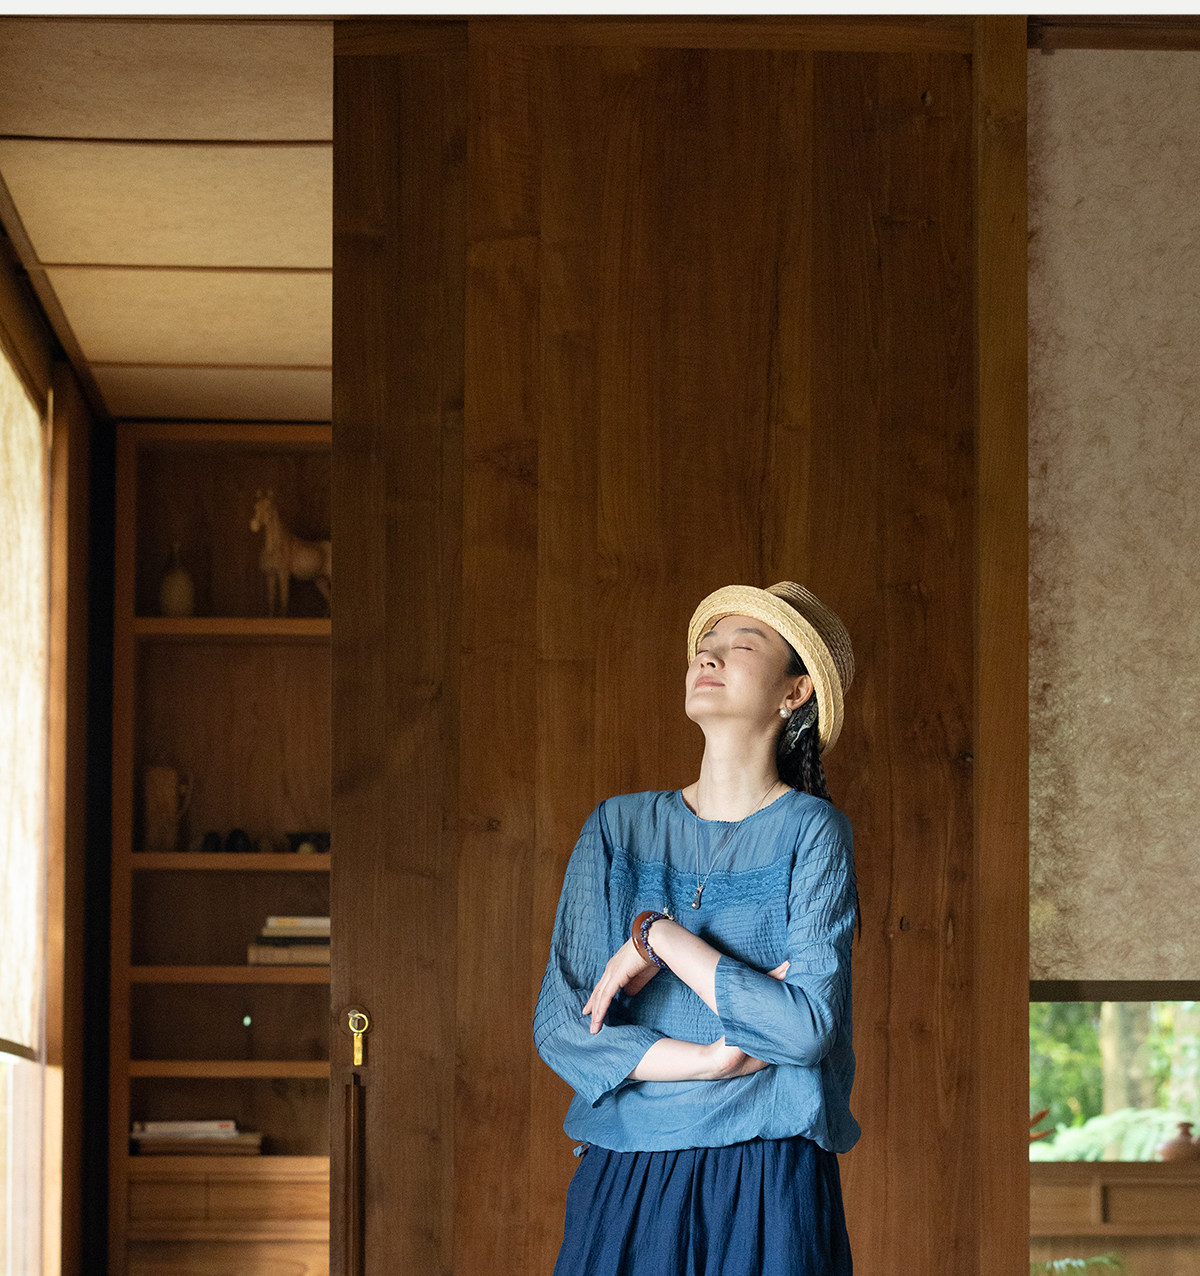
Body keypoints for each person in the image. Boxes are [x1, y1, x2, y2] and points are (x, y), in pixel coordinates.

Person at [533, 581, 860, 1276]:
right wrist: (715, 1057)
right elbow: (563, 1028)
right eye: (703, 646)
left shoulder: (813, 832)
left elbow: (804, 1031)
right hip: (624, 1170)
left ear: (795, 691)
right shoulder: (616, 828)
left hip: (768, 1172)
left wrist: (660, 937)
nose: (707, 657)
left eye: (742, 645)